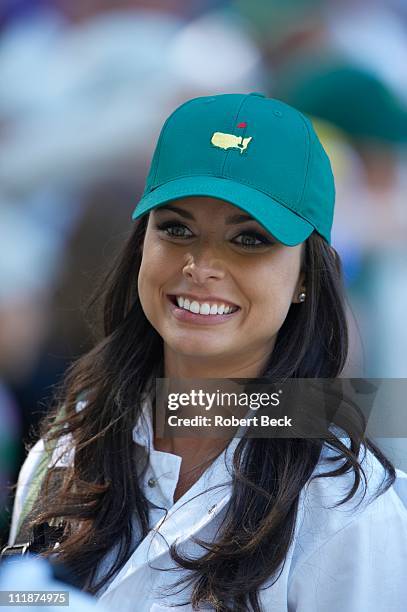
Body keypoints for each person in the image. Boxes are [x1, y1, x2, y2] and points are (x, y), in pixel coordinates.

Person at [4, 93, 407, 611]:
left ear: (306, 275)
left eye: (250, 239)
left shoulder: (343, 504)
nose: (201, 265)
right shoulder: (68, 451)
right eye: (176, 229)